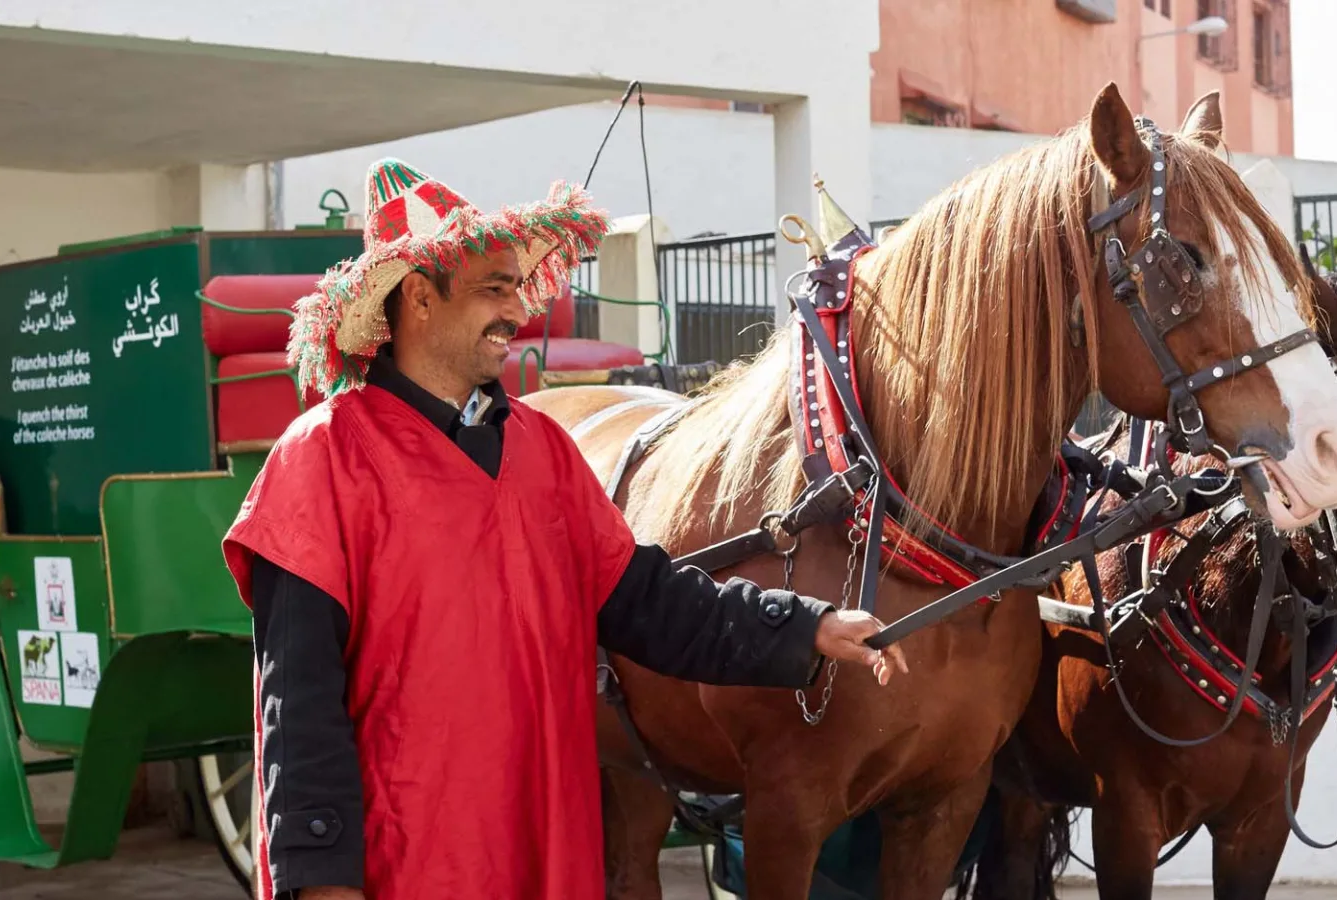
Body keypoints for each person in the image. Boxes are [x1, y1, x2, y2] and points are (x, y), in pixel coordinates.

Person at [220, 158, 907, 900]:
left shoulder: (544, 452)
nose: (518, 312)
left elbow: (650, 600)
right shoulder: (320, 463)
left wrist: (805, 628)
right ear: (418, 297)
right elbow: (298, 707)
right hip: (411, 864)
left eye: (518, 287)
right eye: (494, 287)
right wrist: (320, 881)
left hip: (546, 848)